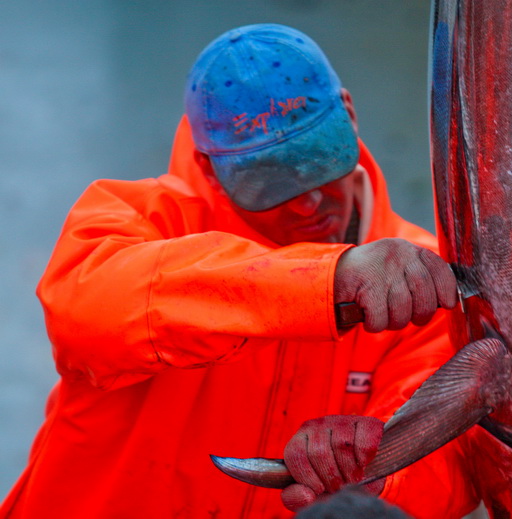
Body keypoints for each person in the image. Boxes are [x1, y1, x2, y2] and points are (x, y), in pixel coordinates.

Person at [0, 24, 478, 518]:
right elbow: (85, 313)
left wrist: (379, 471)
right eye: (270, 183)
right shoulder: (136, 222)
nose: (310, 201)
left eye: (319, 161)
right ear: (209, 168)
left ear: (350, 116)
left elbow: (454, 463)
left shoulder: (425, 283)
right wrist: (322, 282)